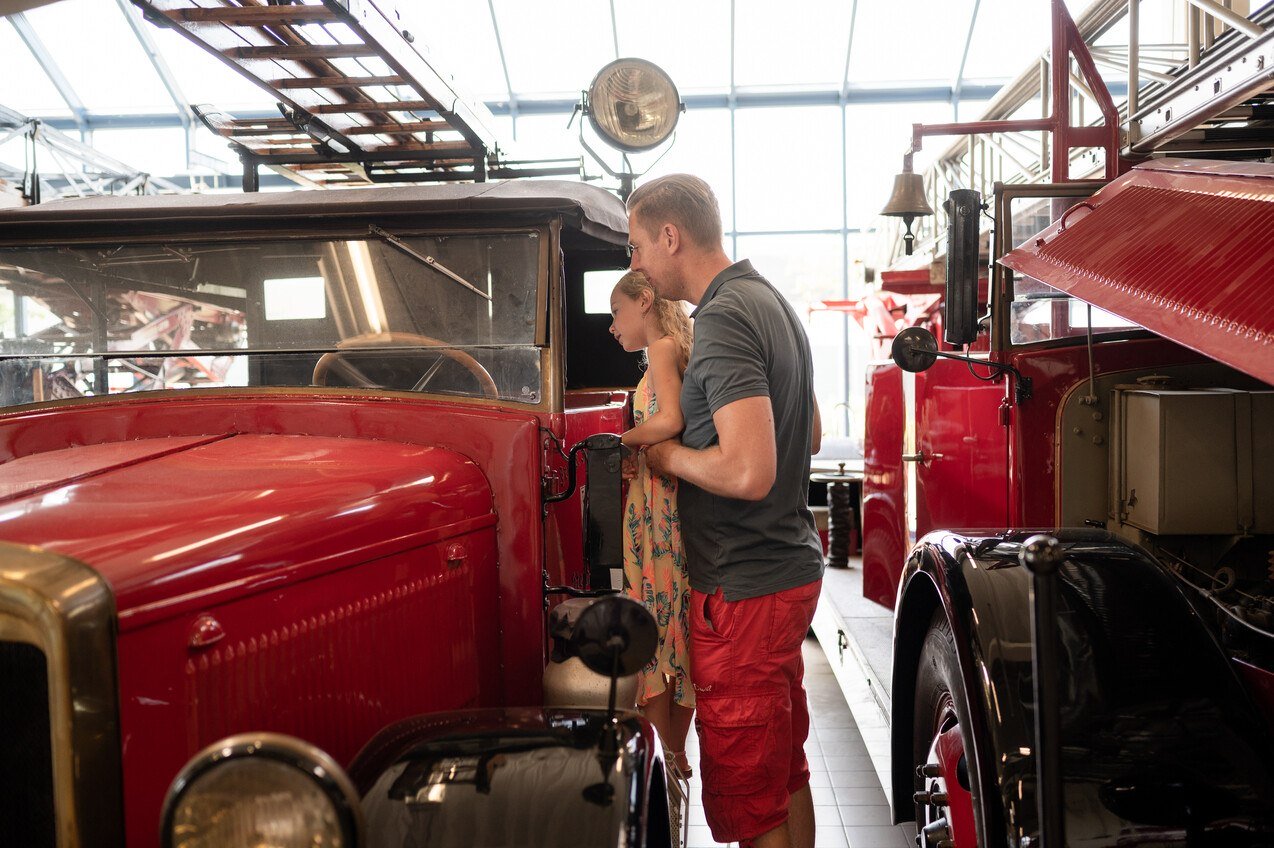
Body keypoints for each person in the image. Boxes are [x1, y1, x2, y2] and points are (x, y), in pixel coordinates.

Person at [626, 174, 824, 848]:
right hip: (785, 573)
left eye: (636, 247)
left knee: (749, 802)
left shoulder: (724, 316)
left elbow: (748, 469)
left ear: (669, 236)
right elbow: (813, 434)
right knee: (784, 773)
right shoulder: (769, 300)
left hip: (742, 590)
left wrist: (669, 458)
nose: (637, 265)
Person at [606, 269, 696, 779]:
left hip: (660, 510)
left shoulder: (661, 349)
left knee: (656, 632)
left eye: (617, 312)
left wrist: (622, 441)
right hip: (658, 504)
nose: (613, 326)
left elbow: (672, 421)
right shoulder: (671, 347)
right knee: (668, 630)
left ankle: (666, 764)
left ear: (644, 301)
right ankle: (674, 759)